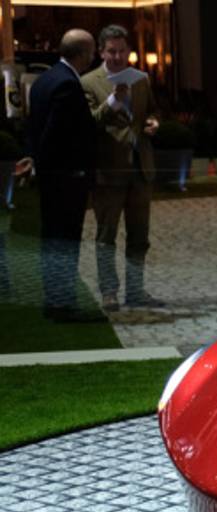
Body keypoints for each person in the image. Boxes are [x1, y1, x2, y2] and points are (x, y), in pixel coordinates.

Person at [20, 29, 99, 322]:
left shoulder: (44, 80)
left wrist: (34, 159)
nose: (94, 56)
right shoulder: (68, 84)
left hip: (51, 177)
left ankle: (54, 300)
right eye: (92, 51)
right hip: (66, 178)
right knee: (65, 240)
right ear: (83, 54)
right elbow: (57, 134)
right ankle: (62, 304)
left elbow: (33, 126)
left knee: (52, 238)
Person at [81, 24, 162, 310]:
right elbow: (88, 122)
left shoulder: (141, 79)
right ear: (101, 52)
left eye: (122, 51)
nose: (117, 57)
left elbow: (152, 110)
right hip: (109, 170)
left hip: (140, 168)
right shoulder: (88, 82)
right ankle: (109, 292)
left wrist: (153, 122)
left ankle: (136, 291)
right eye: (111, 51)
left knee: (140, 236)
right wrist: (113, 100)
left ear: (129, 51)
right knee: (106, 236)